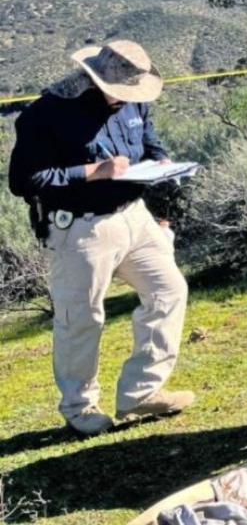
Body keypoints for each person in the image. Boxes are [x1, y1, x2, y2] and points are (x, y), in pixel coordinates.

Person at [7, 40, 194, 436]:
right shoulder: (47, 114)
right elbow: (25, 181)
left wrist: (163, 165)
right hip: (79, 227)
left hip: (135, 217)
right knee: (81, 319)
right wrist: (93, 171)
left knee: (169, 291)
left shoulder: (135, 102)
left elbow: (148, 142)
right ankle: (79, 407)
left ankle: (141, 394)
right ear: (94, 79)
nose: (128, 99)